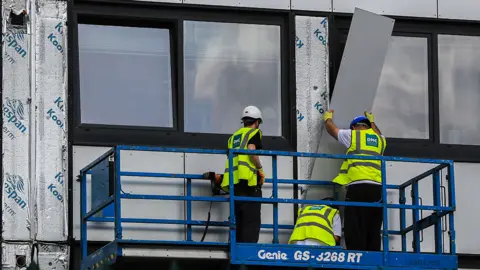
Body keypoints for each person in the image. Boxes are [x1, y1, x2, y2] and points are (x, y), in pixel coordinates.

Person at [322, 110, 386, 251]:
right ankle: (373, 256)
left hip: (358, 186)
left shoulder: (353, 135)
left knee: (354, 224)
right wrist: (373, 121)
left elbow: (333, 131)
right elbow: (378, 133)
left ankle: (356, 254)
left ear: (354, 127)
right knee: (373, 225)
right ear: (368, 126)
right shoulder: (381, 140)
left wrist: (327, 119)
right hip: (377, 189)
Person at [221, 105, 266, 243]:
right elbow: (251, 150)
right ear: (257, 122)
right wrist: (260, 168)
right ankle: (248, 251)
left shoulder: (234, 137)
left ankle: (235, 246)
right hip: (249, 182)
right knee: (251, 220)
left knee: (237, 219)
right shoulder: (254, 133)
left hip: (234, 183)